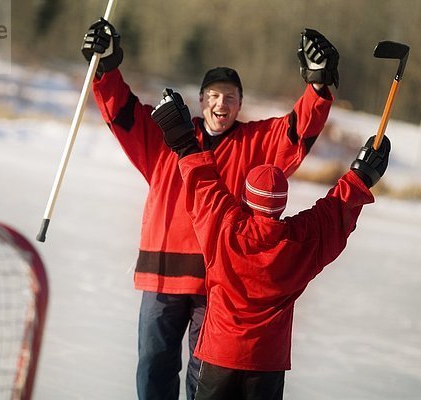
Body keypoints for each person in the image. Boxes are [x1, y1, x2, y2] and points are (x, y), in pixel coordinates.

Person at [81, 19, 339, 400]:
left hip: (218, 286)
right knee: (154, 365)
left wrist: (317, 85)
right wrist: (104, 67)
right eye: (215, 96)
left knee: (204, 378)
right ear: (201, 100)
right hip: (163, 274)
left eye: (231, 97)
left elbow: (296, 131)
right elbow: (123, 113)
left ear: (240, 104)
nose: (222, 103)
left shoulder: (255, 143)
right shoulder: (167, 134)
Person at [151, 89, 391, 400]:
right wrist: (359, 178)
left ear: (246, 196)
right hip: (268, 362)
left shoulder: (226, 226)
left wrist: (184, 143)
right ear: (281, 204)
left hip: (219, 353)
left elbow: (204, 186)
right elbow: (333, 215)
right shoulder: (299, 240)